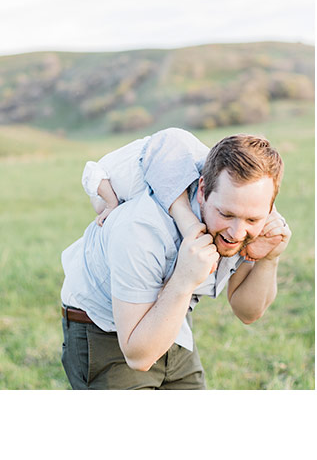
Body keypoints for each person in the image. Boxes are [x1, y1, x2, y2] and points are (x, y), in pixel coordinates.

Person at [60, 132, 291, 389]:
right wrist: (184, 278)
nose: (237, 232)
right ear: (203, 190)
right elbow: (138, 356)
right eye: (226, 214)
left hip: (172, 322)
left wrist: (269, 258)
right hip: (105, 330)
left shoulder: (245, 208)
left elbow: (247, 312)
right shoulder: (141, 228)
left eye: (252, 220)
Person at [82, 128, 206, 234]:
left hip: (152, 155)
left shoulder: (100, 177)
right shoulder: (129, 200)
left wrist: (110, 204)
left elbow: (93, 172)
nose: (100, 213)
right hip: (158, 161)